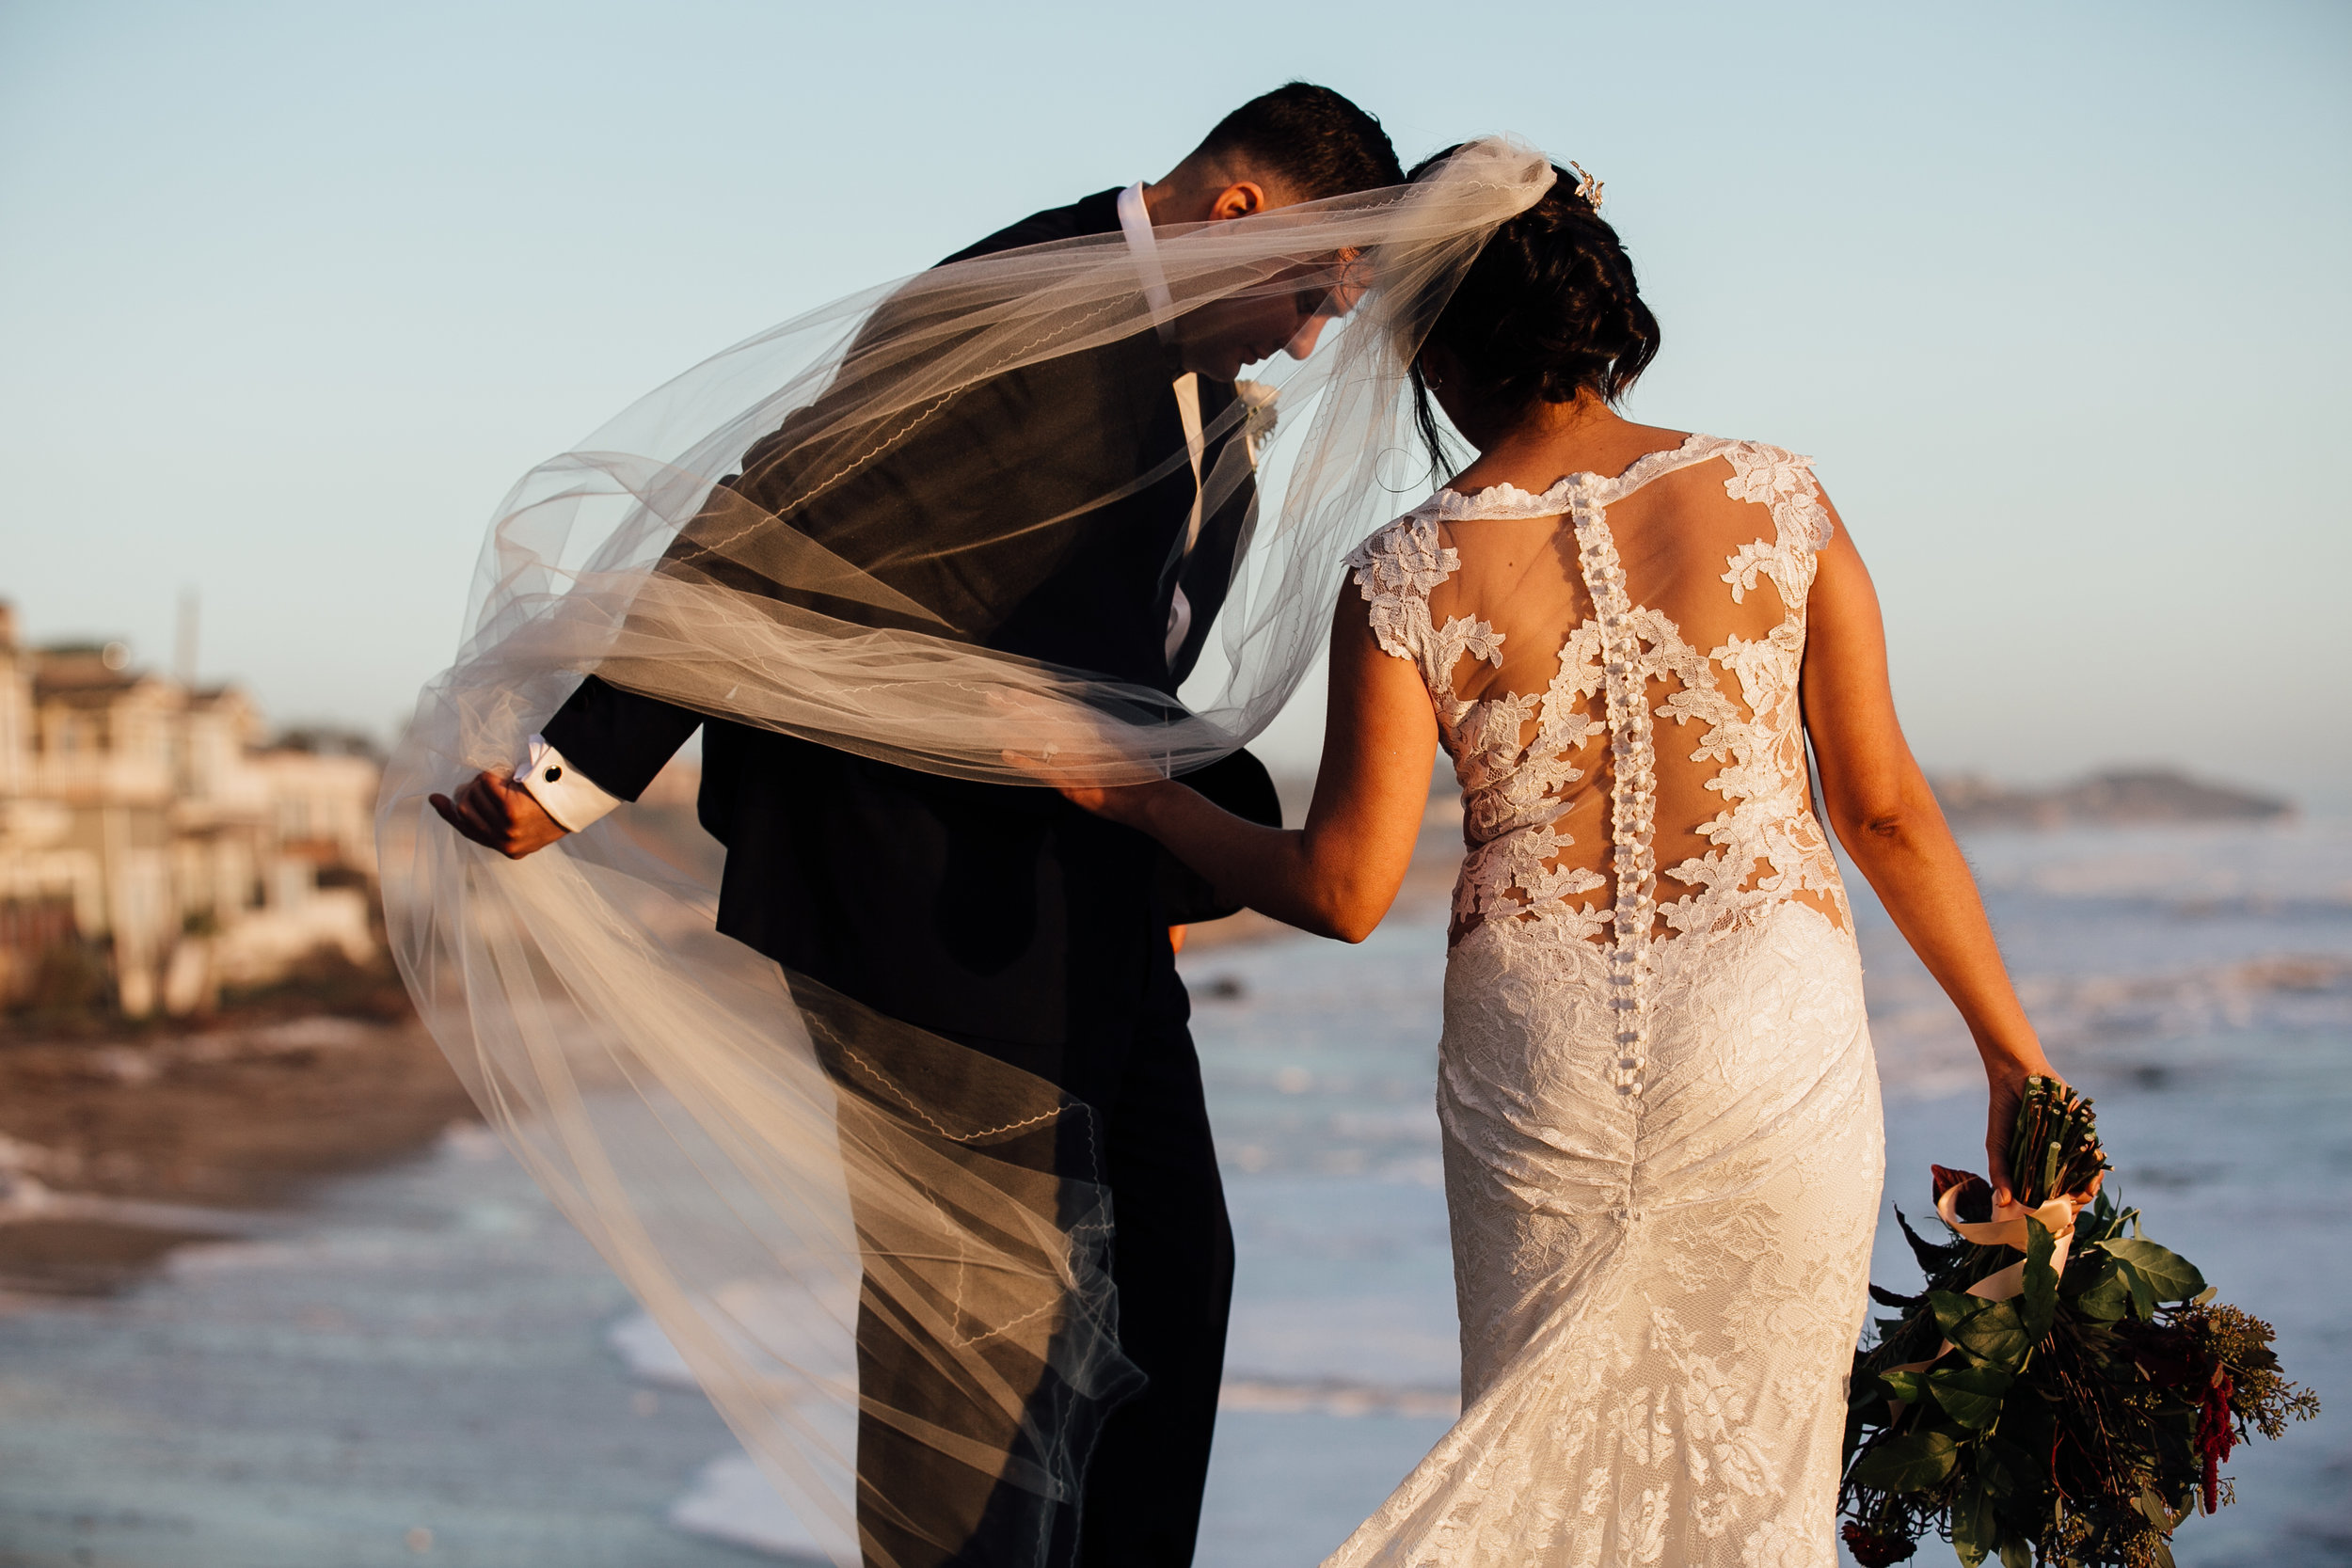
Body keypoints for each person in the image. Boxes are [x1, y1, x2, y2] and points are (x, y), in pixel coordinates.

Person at [1033, 152, 2086, 1563]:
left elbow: (1342, 892)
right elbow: (1884, 810)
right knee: (1756, 1477)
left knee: (1545, 1469)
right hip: (1768, 1044)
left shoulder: (1405, 569)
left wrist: (1147, 804)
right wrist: (2016, 1056)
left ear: (1435, 346)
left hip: (1545, 1063)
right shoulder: (1776, 496)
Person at [429, 85, 1403, 1568]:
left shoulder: (1195, 364)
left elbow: (1108, 655)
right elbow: (769, 518)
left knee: (1172, 1279)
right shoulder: (1016, 307)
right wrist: (579, 774)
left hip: (1086, 902)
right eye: (1304, 295)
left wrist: (1190, 811)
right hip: (921, 900)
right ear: (1238, 213)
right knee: (978, 1326)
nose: (1307, 340)